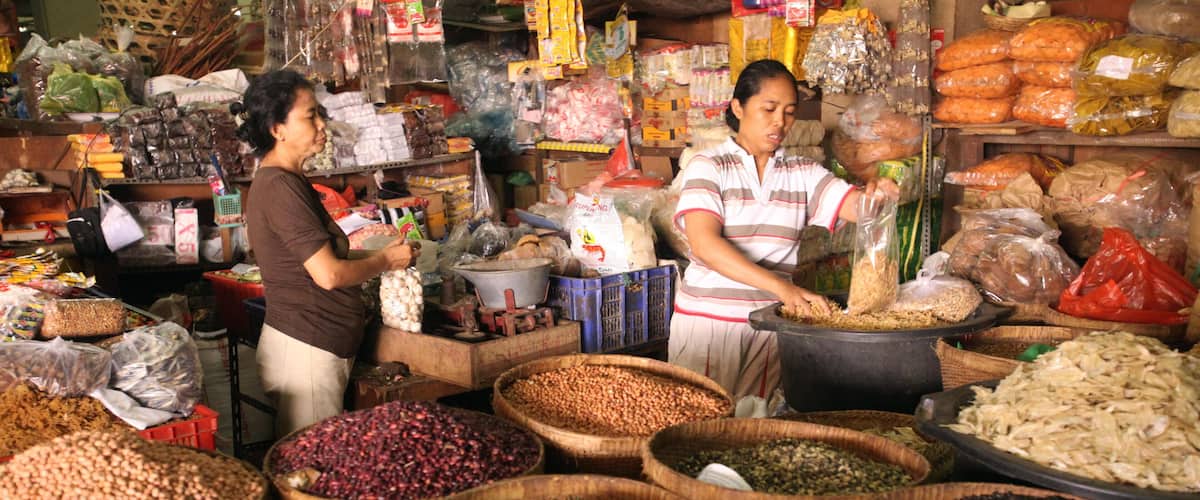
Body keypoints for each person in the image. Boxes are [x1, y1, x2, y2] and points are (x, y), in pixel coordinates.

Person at [670, 59, 899, 401]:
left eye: (790, 111)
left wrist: (877, 194)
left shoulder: (802, 172)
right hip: (710, 326)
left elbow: (853, 206)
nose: (780, 121)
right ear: (738, 107)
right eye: (769, 108)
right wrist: (783, 288)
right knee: (694, 427)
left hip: (768, 328)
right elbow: (705, 245)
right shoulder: (710, 166)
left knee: (753, 430)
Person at [236, 70, 417, 435]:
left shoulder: (285, 180)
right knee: (313, 469)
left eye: (320, 113)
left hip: (312, 344)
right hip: (307, 350)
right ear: (277, 128)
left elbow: (315, 261)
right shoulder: (280, 187)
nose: (322, 124)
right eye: (310, 116)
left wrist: (371, 253)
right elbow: (328, 275)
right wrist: (386, 261)